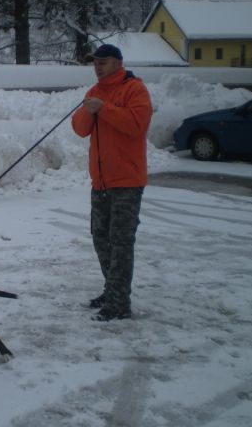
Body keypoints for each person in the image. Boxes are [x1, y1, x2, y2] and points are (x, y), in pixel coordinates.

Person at [71, 44, 153, 321]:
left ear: (118, 63)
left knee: (120, 242)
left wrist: (104, 109)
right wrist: (90, 110)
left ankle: (119, 304)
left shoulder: (134, 89)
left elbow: (136, 124)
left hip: (127, 181)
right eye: (95, 62)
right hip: (101, 182)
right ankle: (112, 290)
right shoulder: (94, 92)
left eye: (103, 62)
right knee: (101, 239)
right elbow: (80, 129)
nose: (98, 66)